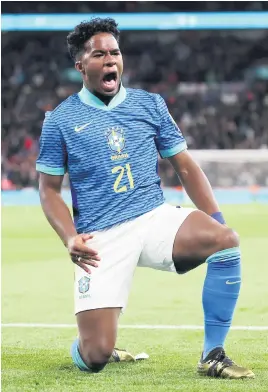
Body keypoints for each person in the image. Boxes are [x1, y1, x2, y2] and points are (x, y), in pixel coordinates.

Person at [36, 18, 254, 379]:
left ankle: (212, 354)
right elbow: (48, 190)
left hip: (152, 217)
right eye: (99, 54)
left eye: (115, 53)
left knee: (225, 242)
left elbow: (184, 166)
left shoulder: (149, 105)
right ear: (80, 66)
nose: (110, 61)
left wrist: (215, 219)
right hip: (101, 237)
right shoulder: (59, 121)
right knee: (96, 357)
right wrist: (70, 237)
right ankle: (88, 344)